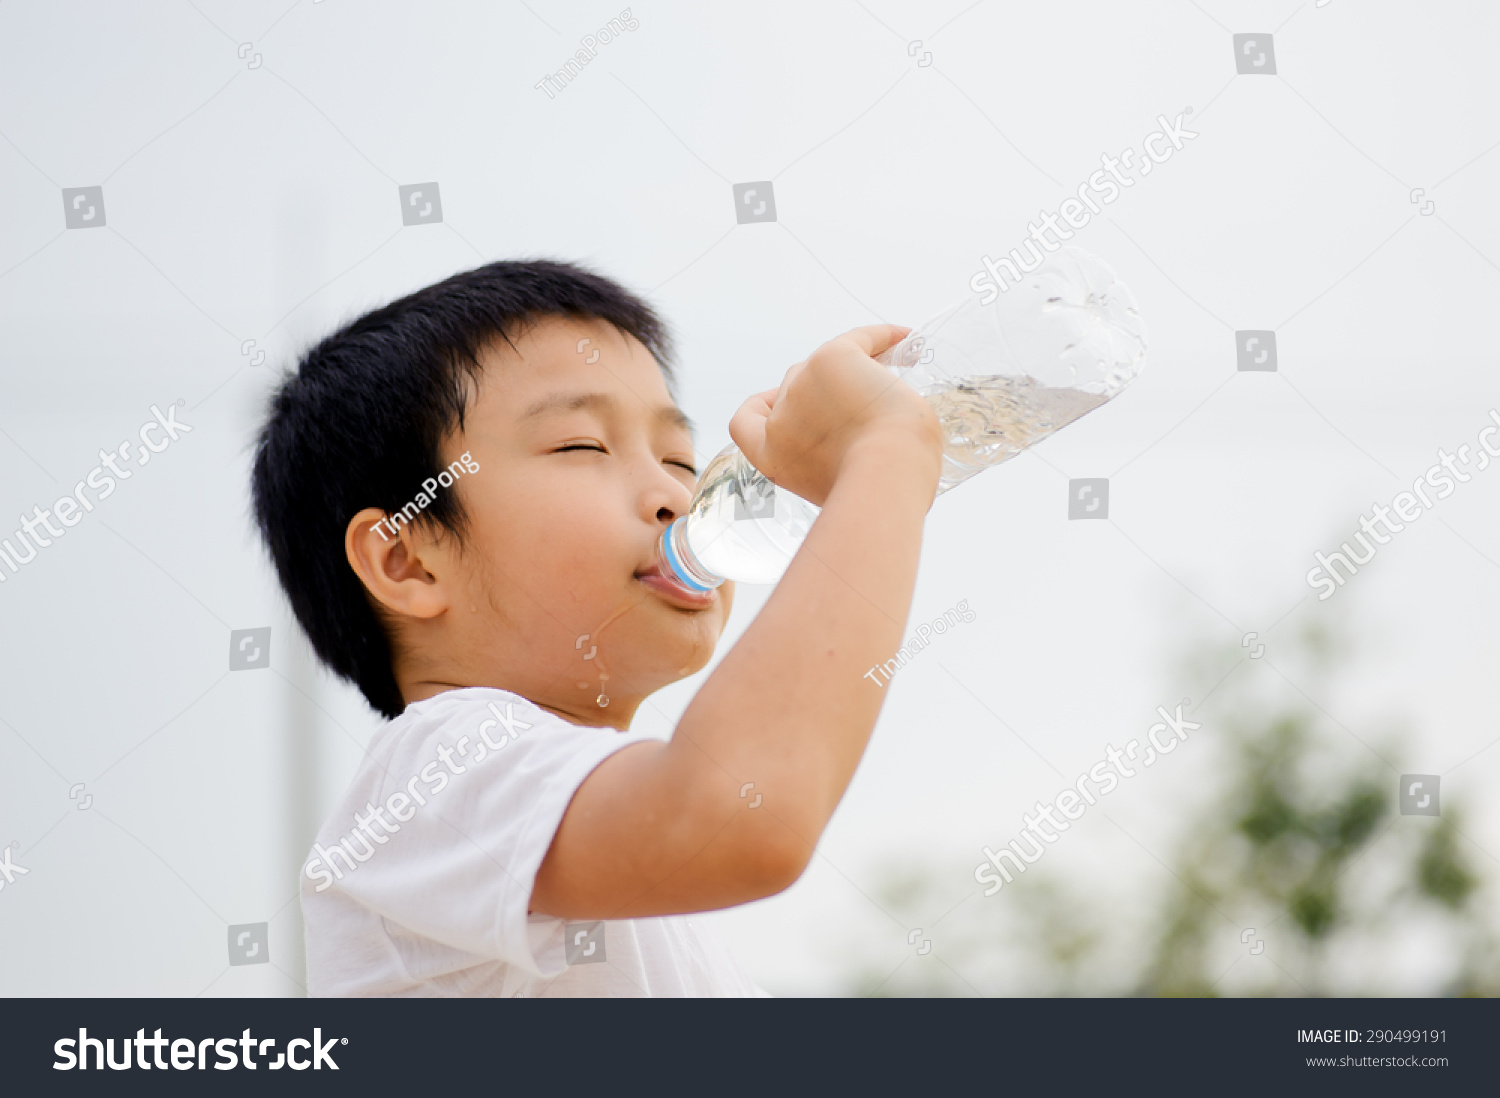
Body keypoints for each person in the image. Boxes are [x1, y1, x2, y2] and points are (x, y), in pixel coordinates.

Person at [251, 258, 943, 995]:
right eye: (582, 446)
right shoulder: (436, 767)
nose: (675, 495)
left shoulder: (599, 868)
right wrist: (885, 458)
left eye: (680, 457)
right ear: (408, 561)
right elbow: (736, 819)